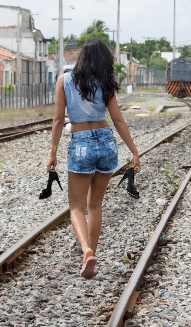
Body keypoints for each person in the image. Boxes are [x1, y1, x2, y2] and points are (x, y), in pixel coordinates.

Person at [47, 38, 141, 279]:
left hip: (80, 143)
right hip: (106, 141)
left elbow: (58, 121)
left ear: (81, 58)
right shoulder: (106, 83)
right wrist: (134, 151)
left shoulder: (64, 81)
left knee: (76, 207)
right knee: (95, 205)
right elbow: (118, 120)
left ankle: (86, 251)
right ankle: (91, 257)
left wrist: (53, 152)